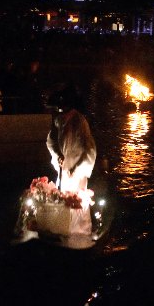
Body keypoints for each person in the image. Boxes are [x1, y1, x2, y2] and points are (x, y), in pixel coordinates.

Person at [46, 86, 97, 234]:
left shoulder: (79, 120)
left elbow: (90, 148)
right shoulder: (58, 119)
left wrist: (78, 168)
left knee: (77, 200)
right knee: (62, 199)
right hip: (63, 168)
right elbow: (51, 141)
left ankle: (79, 230)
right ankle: (62, 227)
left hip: (77, 169)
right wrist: (56, 155)